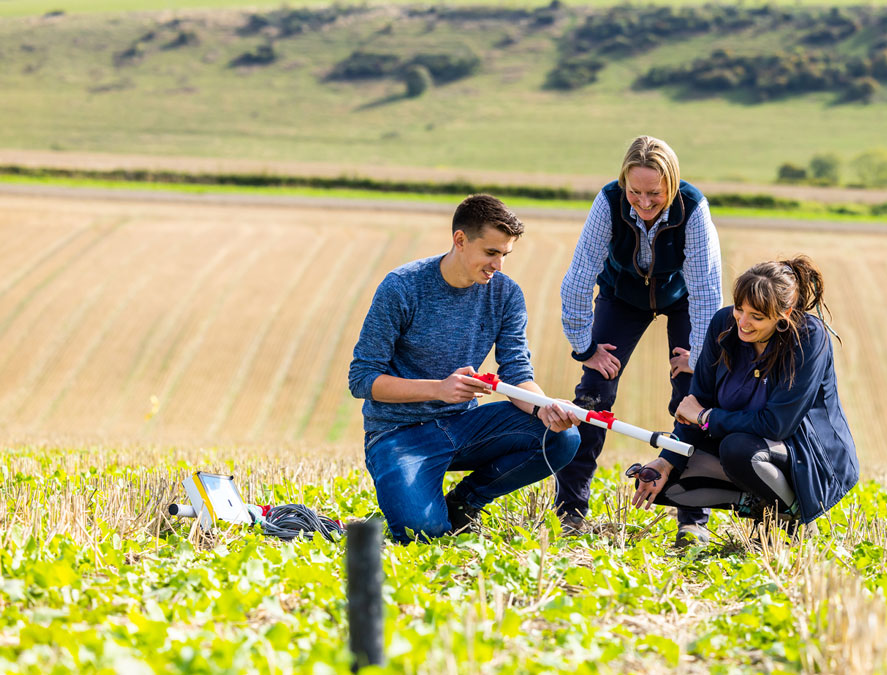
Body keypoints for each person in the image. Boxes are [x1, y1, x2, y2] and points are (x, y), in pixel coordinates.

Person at [348, 194, 581, 544]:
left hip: (463, 427)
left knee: (561, 437)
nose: (498, 265)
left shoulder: (506, 295)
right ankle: (424, 507)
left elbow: (517, 373)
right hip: (397, 435)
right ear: (460, 240)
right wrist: (438, 389)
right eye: (491, 253)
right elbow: (362, 378)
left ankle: (466, 502)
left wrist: (545, 408)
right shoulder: (402, 287)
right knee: (423, 533)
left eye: (505, 255)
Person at [556, 135, 723, 546]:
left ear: (672, 184)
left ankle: (692, 521)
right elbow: (579, 278)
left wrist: (699, 358)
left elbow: (706, 291)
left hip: (681, 298)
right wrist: (585, 347)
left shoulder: (693, 209)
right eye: (635, 191)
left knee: (691, 398)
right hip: (621, 296)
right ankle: (571, 510)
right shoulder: (609, 203)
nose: (644, 202)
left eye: (654, 193)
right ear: (623, 183)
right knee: (594, 394)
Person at [628, 256, 858, 535]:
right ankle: (760, 504)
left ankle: (793, 520)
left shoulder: (809, 337)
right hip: (749, 446)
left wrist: (706, 418)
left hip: (804, 454)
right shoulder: (723, 323)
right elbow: (697, 400)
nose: (743, 322)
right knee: (672, 479)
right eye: (740, 309)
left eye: (757, 317)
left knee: (737, 449)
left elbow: (777, 425)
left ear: (783, 316)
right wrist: (666, 459)